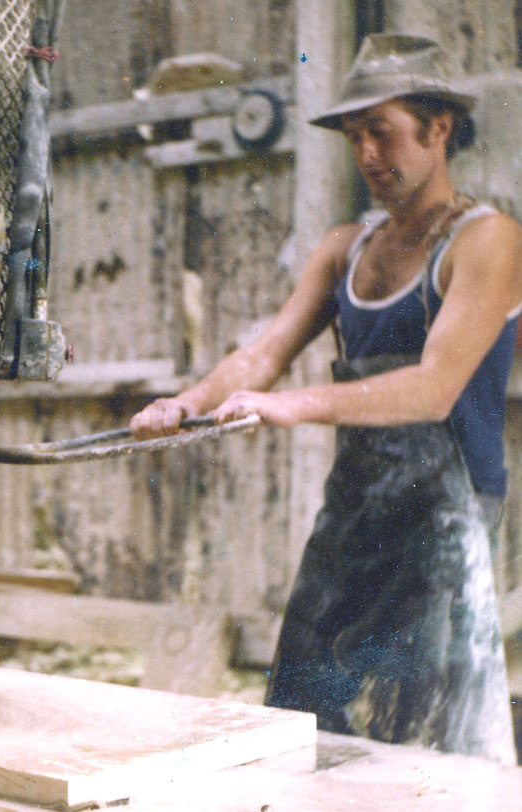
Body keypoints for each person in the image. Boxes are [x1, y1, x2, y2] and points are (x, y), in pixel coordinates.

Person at [130, 33, 522, 764]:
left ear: (438, 130)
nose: (369, 154)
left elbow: (436, 390)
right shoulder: (348, 245)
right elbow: (264, 352)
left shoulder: (487, 240)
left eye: (383, 131)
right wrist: (184, 402)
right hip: (358, 504)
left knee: (422, 735)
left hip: (450, 513)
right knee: (304, 709)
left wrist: (293, 406)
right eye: (355, 136)